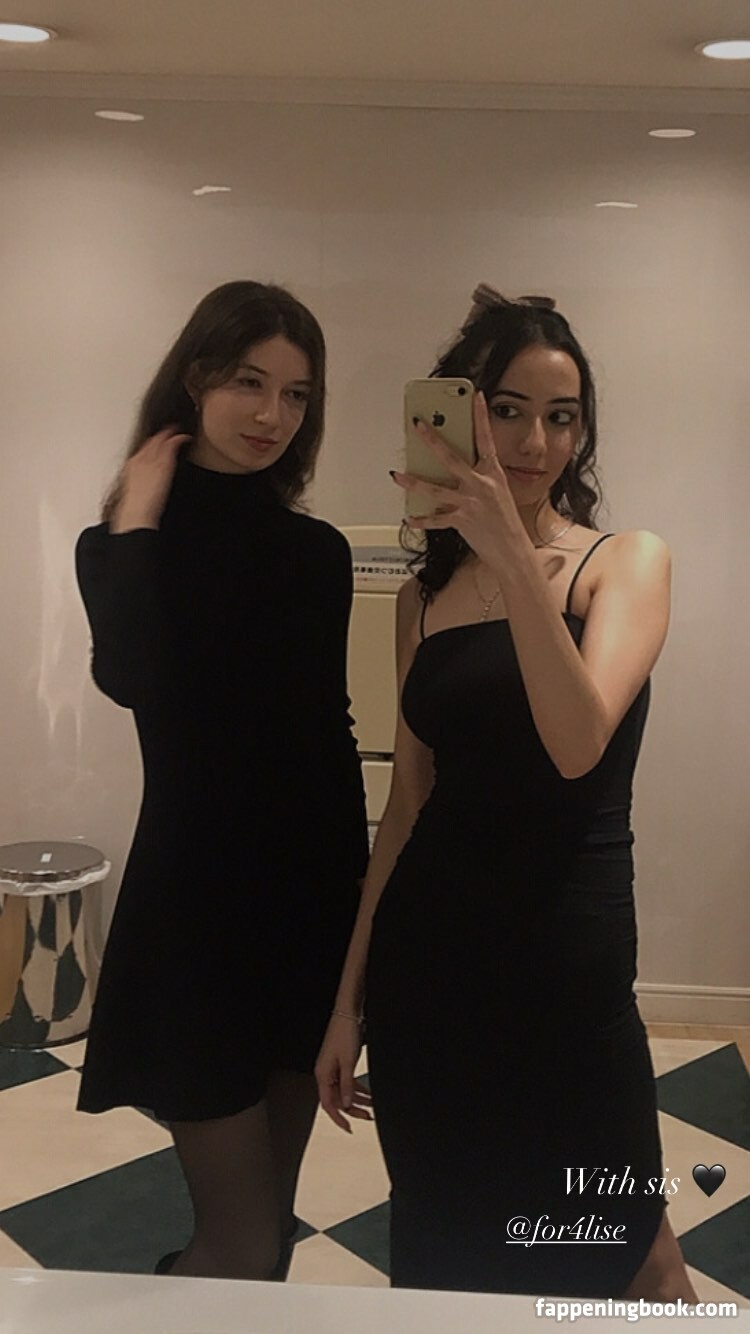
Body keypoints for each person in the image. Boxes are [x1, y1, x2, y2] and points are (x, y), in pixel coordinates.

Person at [315, 286, 698, 1300]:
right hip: (430, 972)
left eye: (561, 416)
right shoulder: (419, 598)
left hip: (568, 973)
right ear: (462, 416)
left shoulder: (625, 564)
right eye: (509, 410)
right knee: (454, 1244)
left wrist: (514, 555)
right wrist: (348, 1001)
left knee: (629, 1250)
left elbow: (576, 743)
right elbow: (408, 804)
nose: (535, 442)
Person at [75, 280, 369, 1281]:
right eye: (249, 381)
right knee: (239, 1245)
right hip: (194, 921)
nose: (272, 414)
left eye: (296, 393)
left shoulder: (316, 553)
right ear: (196, 378)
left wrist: (359, 930)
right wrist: (137, 517)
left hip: (305, 913)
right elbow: (131, 676)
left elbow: (327, 739)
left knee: (269, 1234)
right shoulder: (123, 547)